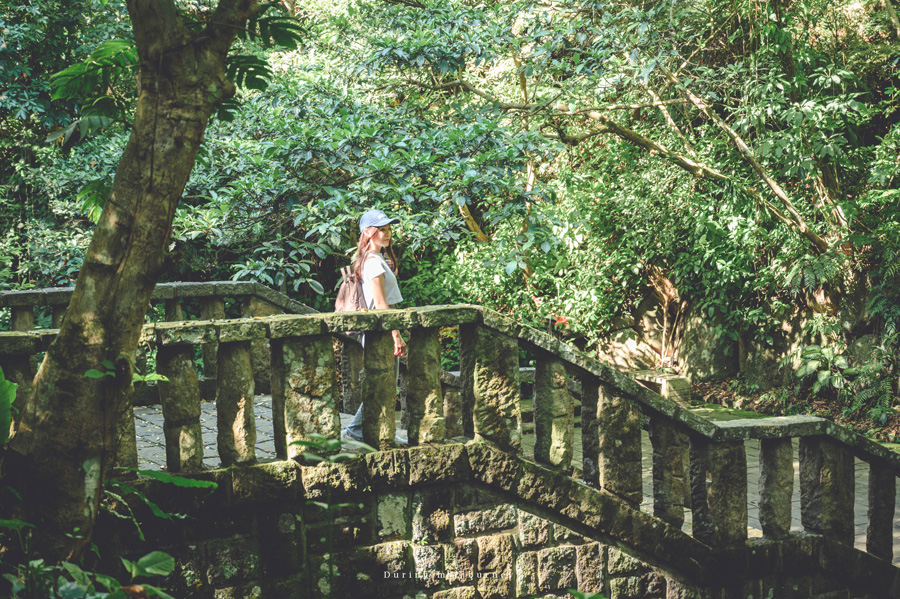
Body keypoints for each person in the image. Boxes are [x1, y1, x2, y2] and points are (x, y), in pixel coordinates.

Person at [342, 208, 407, 443]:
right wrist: (396, 335)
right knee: (385, 382)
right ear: (368, 233)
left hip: (379, 331)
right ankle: (357, 428)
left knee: (385, 382)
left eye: (389, 229)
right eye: (382, 229)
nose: (387, 234)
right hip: (380, 332)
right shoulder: (373, 262)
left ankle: (363, 428)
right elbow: (380, 303)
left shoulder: (374, 259)